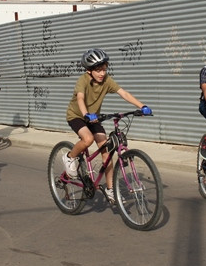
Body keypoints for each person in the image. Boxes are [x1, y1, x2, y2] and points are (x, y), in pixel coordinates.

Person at [63, 48, 152, 204]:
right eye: (98, 70)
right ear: (89, 71)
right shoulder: (82, 81)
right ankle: (70, 157)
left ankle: (110, 190)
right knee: (88, 139)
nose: (102, 73)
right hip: (77, 116)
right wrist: (85, 114)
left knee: (107, 151)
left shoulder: (106, 80)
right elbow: (80, 99)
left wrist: (142, 106)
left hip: (94, 118)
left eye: (104, 69)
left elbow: (123, 93)